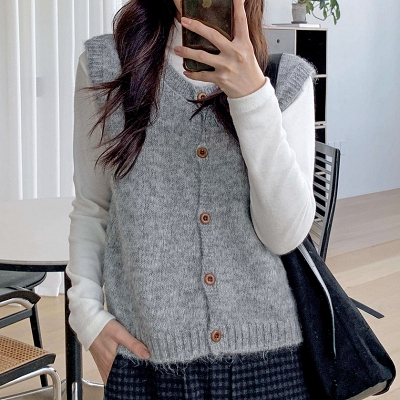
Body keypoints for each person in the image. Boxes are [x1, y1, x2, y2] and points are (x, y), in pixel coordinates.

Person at [66, 0, 317, 398]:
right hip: (147, 358)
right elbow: (93, 206)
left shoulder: (285, 80)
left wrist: (252, 99)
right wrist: (88, 318)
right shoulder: (106, 66)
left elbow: (285, 235)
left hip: (271, 361)